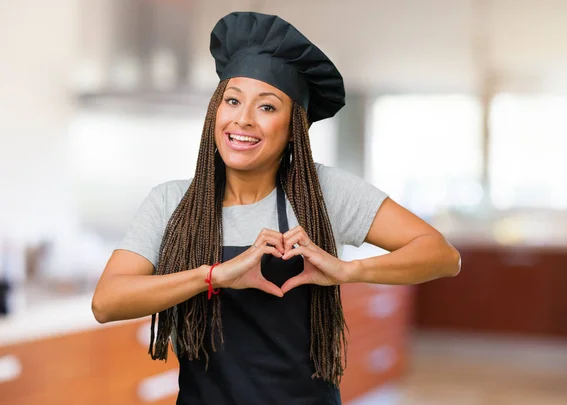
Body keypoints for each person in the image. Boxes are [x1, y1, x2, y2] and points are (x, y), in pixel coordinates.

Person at [92, 11, 461, 405]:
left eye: (267, 107)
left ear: (293, 129)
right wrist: (215, 275)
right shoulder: (171, 202)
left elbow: (441, 255)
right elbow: (106, 301)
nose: (243, 119)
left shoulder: (322, 193)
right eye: (232, 100)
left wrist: (350, 270)